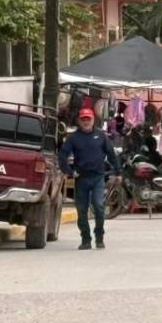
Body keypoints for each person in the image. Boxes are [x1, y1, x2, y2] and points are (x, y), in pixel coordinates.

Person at [60, 102, 120, 250]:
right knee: (82, 211)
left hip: (98, 177)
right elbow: (62, 155)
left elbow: (111, 154)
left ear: (93, 120)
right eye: (83, 119)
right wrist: (69, 171)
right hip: (81, 179)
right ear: (79, 121)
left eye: (88, 119)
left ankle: (99, 237)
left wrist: (118, 172)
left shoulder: (101, 136)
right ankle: (85, 239)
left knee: (99, 206)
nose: (86, 122)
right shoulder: (74, 138)